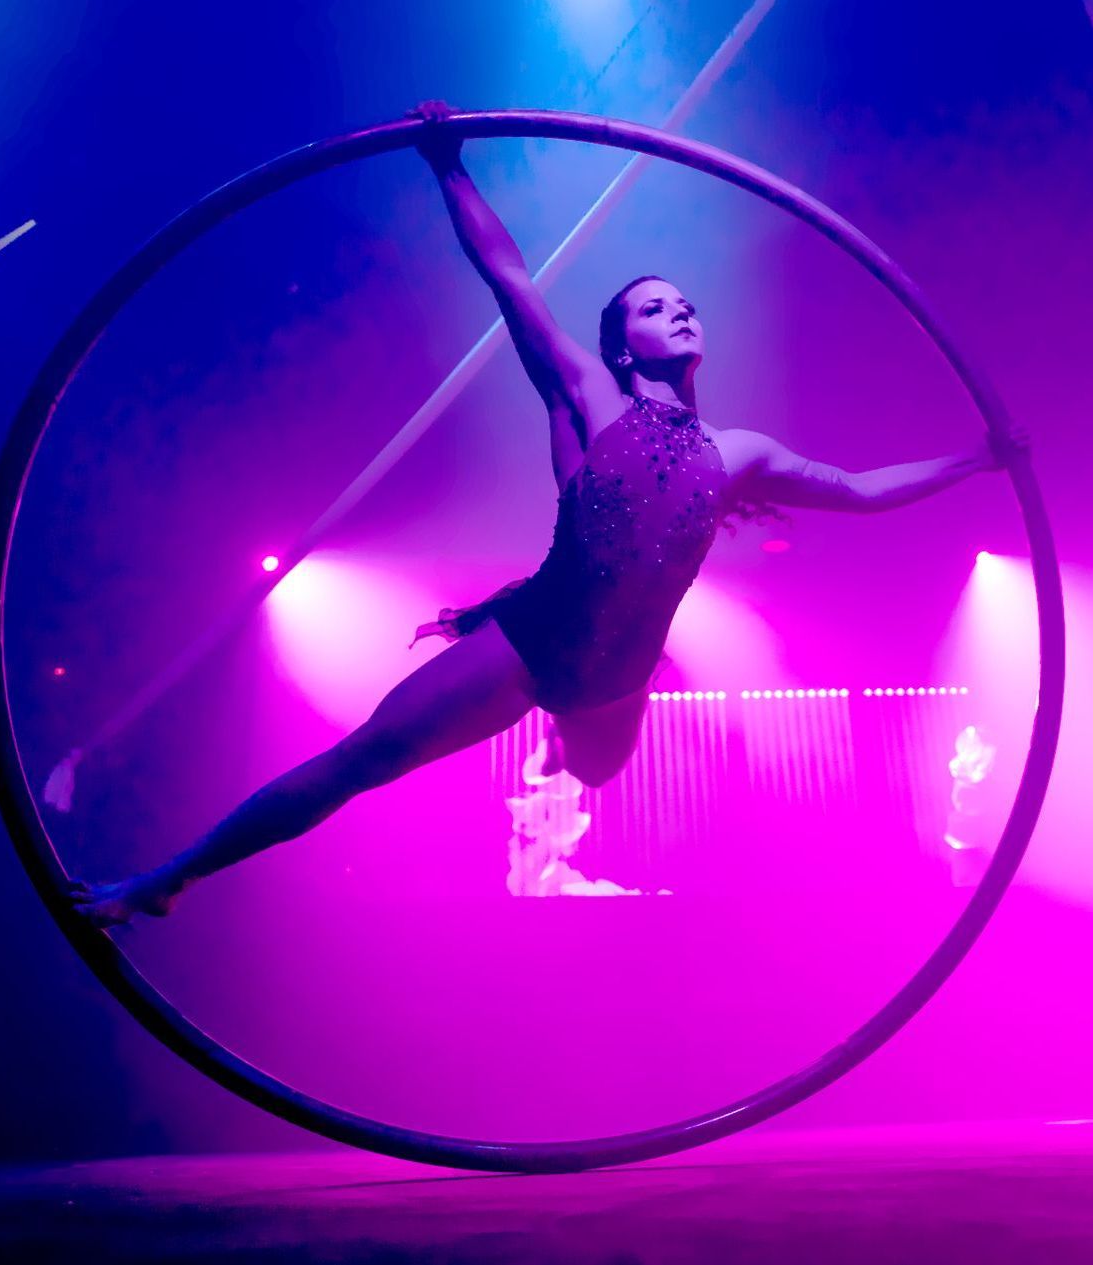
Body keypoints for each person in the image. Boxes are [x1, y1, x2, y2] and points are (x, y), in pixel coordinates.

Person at [70, 101, 1027, 927]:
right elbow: (508, 276)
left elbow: (859, 490)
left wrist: (979, 460)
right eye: (656, 307)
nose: (680, 311)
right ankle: (163, 879)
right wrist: (449, 168)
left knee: (600, 775)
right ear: (621, 345)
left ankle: (578, 723)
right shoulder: (585, 397)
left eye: (686, 303)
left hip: (615, 679)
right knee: (360, 759)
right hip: (532, 647)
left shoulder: (739, 453)